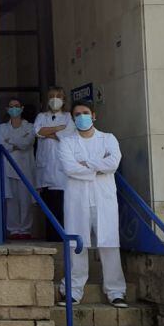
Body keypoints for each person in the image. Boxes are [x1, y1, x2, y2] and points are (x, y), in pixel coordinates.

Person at [58, 102, 127, 308]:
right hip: (77, 199)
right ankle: (72, 291)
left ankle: (116, 291)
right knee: (76, 245)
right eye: (77, 114)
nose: (82, 117)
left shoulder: (108, 139)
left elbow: (113, 163)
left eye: (85, 113)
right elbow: (69, 168)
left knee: (109, 243)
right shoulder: (67, 142)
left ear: (94, 116)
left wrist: (86, 164)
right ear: (72, 118)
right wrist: (98, 165)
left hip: (103, 199)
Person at [34, 87, 75, 240]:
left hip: (61, 171)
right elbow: (37, 131)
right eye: (51, 96)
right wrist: (57, 129)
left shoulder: (68, 117)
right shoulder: (41, 116)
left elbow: (67, 135)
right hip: (45, 169)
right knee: (48, 206)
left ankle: (61, 237)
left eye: (58, 96)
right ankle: (50, 237)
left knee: (61, 206)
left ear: (63, 100)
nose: (54, 99)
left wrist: (48, 132)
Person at [0, 97, 36, 239]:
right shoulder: (1, 128)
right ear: (7, 110)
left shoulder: (30, 127)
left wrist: (12, 142)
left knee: (26, 201)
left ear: (22, 108)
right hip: (8, 169)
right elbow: (2, 145)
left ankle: (25, 230)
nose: (14, 108)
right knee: (12, 201)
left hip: (25, 169)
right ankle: (14, 230)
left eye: (16, 105)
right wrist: (17, 143)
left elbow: (27, 143)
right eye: (11, 106)